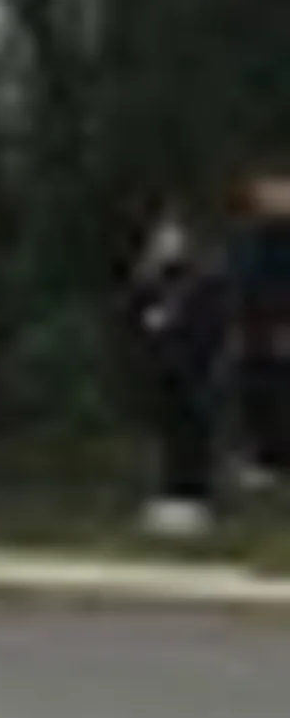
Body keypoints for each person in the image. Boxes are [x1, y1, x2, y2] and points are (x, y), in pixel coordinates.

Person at [127, 205, 228, 537]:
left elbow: (213, 322)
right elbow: (135, 310)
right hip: (163, 365)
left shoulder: (204, 278)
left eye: (172, 237)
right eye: (161, 238)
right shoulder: (152, 276)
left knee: (193, 431)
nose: (166, 243)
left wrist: (180, 329)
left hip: (194, 366)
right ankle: (169, 493)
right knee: (168, 431)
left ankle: (195, 497)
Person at [224, 161, 290, 487]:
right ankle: (263, 458)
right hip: (254, 327)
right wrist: (237, 326)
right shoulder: (249, 236)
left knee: (280, 392)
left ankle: (277, 457)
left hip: (280, 324)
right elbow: (242, 284)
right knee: (256, 392)